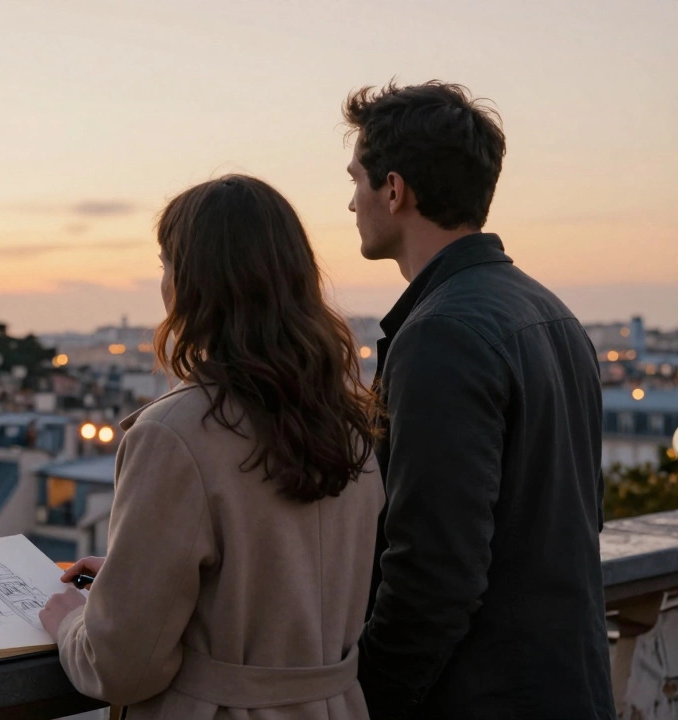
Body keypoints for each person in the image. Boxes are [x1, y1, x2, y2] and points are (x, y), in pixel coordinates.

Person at [39, 174, 384, 719]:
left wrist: (70, 622)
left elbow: (123, 666)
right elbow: (283, 583)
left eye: (166, 265)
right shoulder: (349, 421)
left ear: (192, 283)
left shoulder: (173, 434)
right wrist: (135, 574)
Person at [343, 81, 614, 718]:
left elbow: (434, 569)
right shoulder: (552, 312)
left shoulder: (442, 333)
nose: (349, 202)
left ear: (393, 189)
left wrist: (370, 701)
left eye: (357, 179)